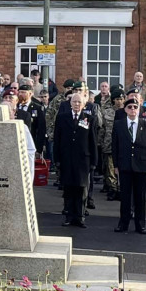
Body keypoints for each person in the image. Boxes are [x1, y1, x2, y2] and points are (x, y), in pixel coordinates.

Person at [111, 96, 146, 235]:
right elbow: (115, 146)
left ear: (139, 109)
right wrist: (116, 165)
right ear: (125, 109)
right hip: (124, 165)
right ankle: (123, 223)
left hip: (142, 166)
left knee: (140, 197)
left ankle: (140, 225)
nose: (132, 110)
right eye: (129, 107)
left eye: (135, 107)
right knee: (125, 196)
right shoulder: (119, 124)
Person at [53, 91, 97, 228]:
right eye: (74, 101)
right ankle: (68, 216)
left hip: (83, 160)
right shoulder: (62, 117)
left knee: (81, 189)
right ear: (70, 103)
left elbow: (93, 141)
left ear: (84, 104)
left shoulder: (89, 119)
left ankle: (80, 217)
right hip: (66, 159)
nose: (76, 104)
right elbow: (57, 140)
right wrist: (57, 159)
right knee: (68, 189)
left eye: (79, 102)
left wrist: (94, 162)